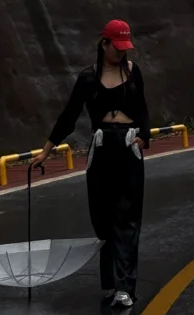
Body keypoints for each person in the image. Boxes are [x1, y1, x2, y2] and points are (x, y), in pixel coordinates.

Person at [34, 18, 151, 308]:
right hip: (101, 149)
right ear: (104, 43)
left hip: (128, 147)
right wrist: (46, 151)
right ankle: (111, 284)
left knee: (126, 219)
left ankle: (125, 288)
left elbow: (144, 111)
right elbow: (69, 116)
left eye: (126, 47)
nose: (122, 53)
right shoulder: (88, 78)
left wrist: (144, 138)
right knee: (103, 218)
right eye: (117, 47)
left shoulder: (134, 73)